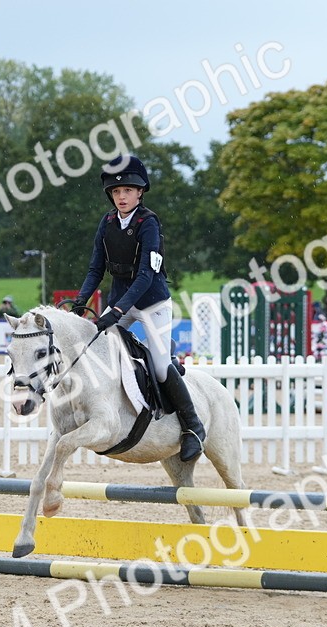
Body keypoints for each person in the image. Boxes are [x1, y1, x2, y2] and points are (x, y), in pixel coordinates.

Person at [72, 154, 205, 462]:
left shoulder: (149, 223)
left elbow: (146, 275)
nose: (122, 196)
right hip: (121, 300)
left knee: (159, 365)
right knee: (101, 352)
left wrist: (117, 312)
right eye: (117, 192)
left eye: (128, 191)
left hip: (152, 303)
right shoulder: (106, 224)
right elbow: (96, 270)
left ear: (140, 192)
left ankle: (193, 427)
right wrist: (81, 302)